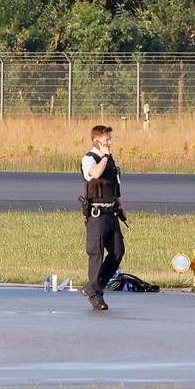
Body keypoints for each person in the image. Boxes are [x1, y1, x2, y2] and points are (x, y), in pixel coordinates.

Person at [80, 124, 125, 311]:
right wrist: (105, 156)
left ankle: (92, 287)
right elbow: (96, 174)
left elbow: (115, 185)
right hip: (96, 215)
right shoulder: (88, 159)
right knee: (96, 254)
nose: (110, 142)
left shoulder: (110, 160)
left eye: (110, 139)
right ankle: (96, 295)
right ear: (97, 141)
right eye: (107, 139)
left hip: (111, 213)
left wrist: (121, 206)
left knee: (117, 252)